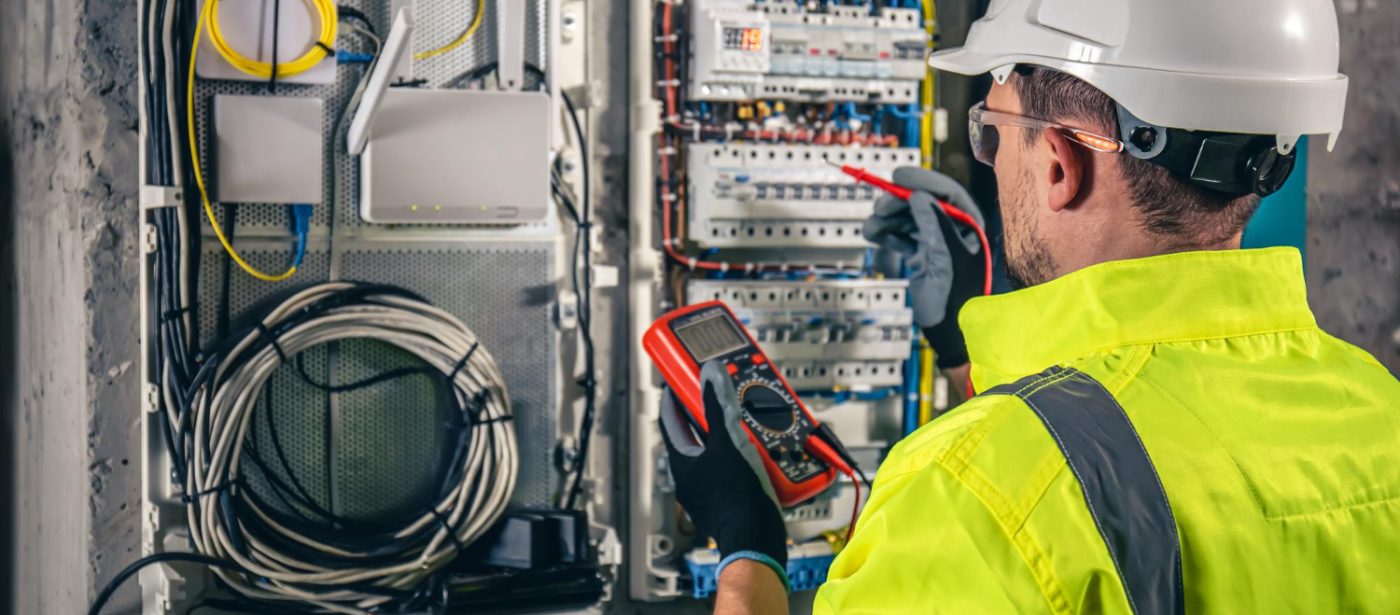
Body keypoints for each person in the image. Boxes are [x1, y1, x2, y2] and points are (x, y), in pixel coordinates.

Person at [658, 0, 1400, 613]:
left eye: (994, 133)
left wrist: (746, 555)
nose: (994, 158)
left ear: (1058, 163)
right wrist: (959, 352)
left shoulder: (967, 497)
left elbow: (1067, 485)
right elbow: (1132, 458)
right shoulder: (1376, 406)